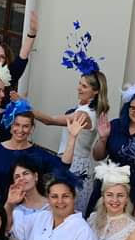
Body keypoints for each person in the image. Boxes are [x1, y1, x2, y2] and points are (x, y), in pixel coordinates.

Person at [33, 67, 110, 214]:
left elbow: (50, 120)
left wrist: (24, 107)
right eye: (79, 83)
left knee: (68, 210)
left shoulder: (83, 114)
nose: (79, 88)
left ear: (95, 91)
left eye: (84, 86)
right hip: (70, 160)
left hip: (76, 165)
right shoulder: (85, 108)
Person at [0, 102, 61, 197]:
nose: (20, 130)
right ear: (11, 126)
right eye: (17, 125)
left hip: (29, 204)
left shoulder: (38, 154)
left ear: (32, 129)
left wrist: (72, 137)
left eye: (25, 126)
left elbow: (63, 166)